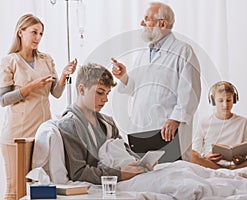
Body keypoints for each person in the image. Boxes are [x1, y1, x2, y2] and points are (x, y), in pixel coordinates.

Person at [0, 14, 77, 200]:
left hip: (42, 133)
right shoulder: (10, 61)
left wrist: (64, 75)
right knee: (15, 189)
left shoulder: (46, 60)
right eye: (34, 32)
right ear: (21, 32)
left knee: (39, 187)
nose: (38, 38)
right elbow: (3, 100)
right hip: (17, 134)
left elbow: (56, 93)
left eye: (41, 33)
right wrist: (30, 87)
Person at [112, 2, 201, 161]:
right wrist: (124, 77)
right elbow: (137, 88)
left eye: (147, 19)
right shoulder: (143, 54)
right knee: (145, 178)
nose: (141, 23)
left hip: (168, 130)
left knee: (172, 177)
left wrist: (175, 118)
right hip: (141, 128)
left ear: (163, 23)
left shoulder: (183, 51)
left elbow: (191, 91)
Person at [57, 63, 149, 184]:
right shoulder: (70, 125)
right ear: (81, 89)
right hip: (115, 180)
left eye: (107, 93)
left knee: (177, 170)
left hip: (131, 176)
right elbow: (79, 172)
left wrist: (142, 164)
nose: (105, 99)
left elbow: (125, 150)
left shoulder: (108, 122)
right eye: (100, 92)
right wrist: (120, 174)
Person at [192, 81, 247, 169]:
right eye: (220, 101)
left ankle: (228, 172)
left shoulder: (244, 122)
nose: (225, 105)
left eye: (228, 100)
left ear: (234, 99)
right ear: (213, 100)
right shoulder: (203, 122)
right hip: (211, 164)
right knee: (191, 155)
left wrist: (242, 158)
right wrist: (205, 156)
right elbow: (196, 151)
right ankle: (227, 172)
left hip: (238, 165)